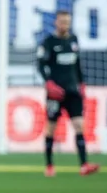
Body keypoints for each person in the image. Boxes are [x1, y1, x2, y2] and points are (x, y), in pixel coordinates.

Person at [37, 10, 99, 177]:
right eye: (62, 21)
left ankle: (84, 164)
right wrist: (48, 82)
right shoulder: (48, 42)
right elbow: (41, 65)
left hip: (73, 91)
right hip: (55, 93)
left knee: (79, 125)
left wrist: (81, 83)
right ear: (56, 23)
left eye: (67, 22)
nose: (65, 25)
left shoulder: (73, 40)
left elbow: (77, 64)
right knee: (51, 129)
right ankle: (49, 166)